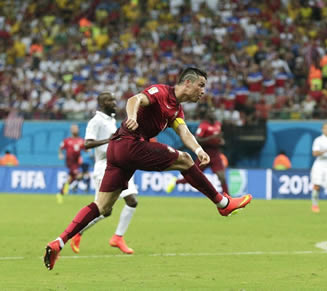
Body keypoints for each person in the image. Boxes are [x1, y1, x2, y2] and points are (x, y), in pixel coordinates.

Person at [44, 67, 253, 270]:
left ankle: (58, 242)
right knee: (184, 160)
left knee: (102, 206)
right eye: (201, 85)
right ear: (187, 83)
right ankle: (223, 203)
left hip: (117, 151)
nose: (203, 91)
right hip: (129, 144)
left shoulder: (176, 110)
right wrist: (133, 117)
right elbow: (134, 100)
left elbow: (184, 132)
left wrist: (199, 149)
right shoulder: (161, 92)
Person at [70, 92, 138, 255]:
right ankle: (77, 232)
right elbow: (87, 144)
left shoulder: (111, 120)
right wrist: (110, 140)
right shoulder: (96, 121)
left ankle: (117, 237)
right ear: (101, 104)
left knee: (129, 202)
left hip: (119, 166)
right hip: (104, 167)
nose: (113, 102)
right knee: (104, 209)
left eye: (114, 99)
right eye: (109, 100)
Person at [166, 109, 229, 194]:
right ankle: (176, 181)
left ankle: (228, 197)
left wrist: (221, 140)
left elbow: (218, 137)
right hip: (204, 154)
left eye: (214, 113)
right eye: (211, 113)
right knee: (194, 177)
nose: (213, 115)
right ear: (208, 115)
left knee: (222, 177)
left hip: (215, 154)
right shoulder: (203, 126)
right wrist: (212, 138)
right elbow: (198, 139)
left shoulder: (218, 124)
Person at [57, 124, 85, 203]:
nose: (75, 130)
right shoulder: (67, 140)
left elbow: (86, 150)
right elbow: (60, 148)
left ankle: (61, 193)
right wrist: (60, 154)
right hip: (70, 162)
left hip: (77, 162)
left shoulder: (81, 140)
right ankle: (70, 187)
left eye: (76, 128)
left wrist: (85, 156)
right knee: (79, 176)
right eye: (73, 128)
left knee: (71, 178)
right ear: (71, 130)